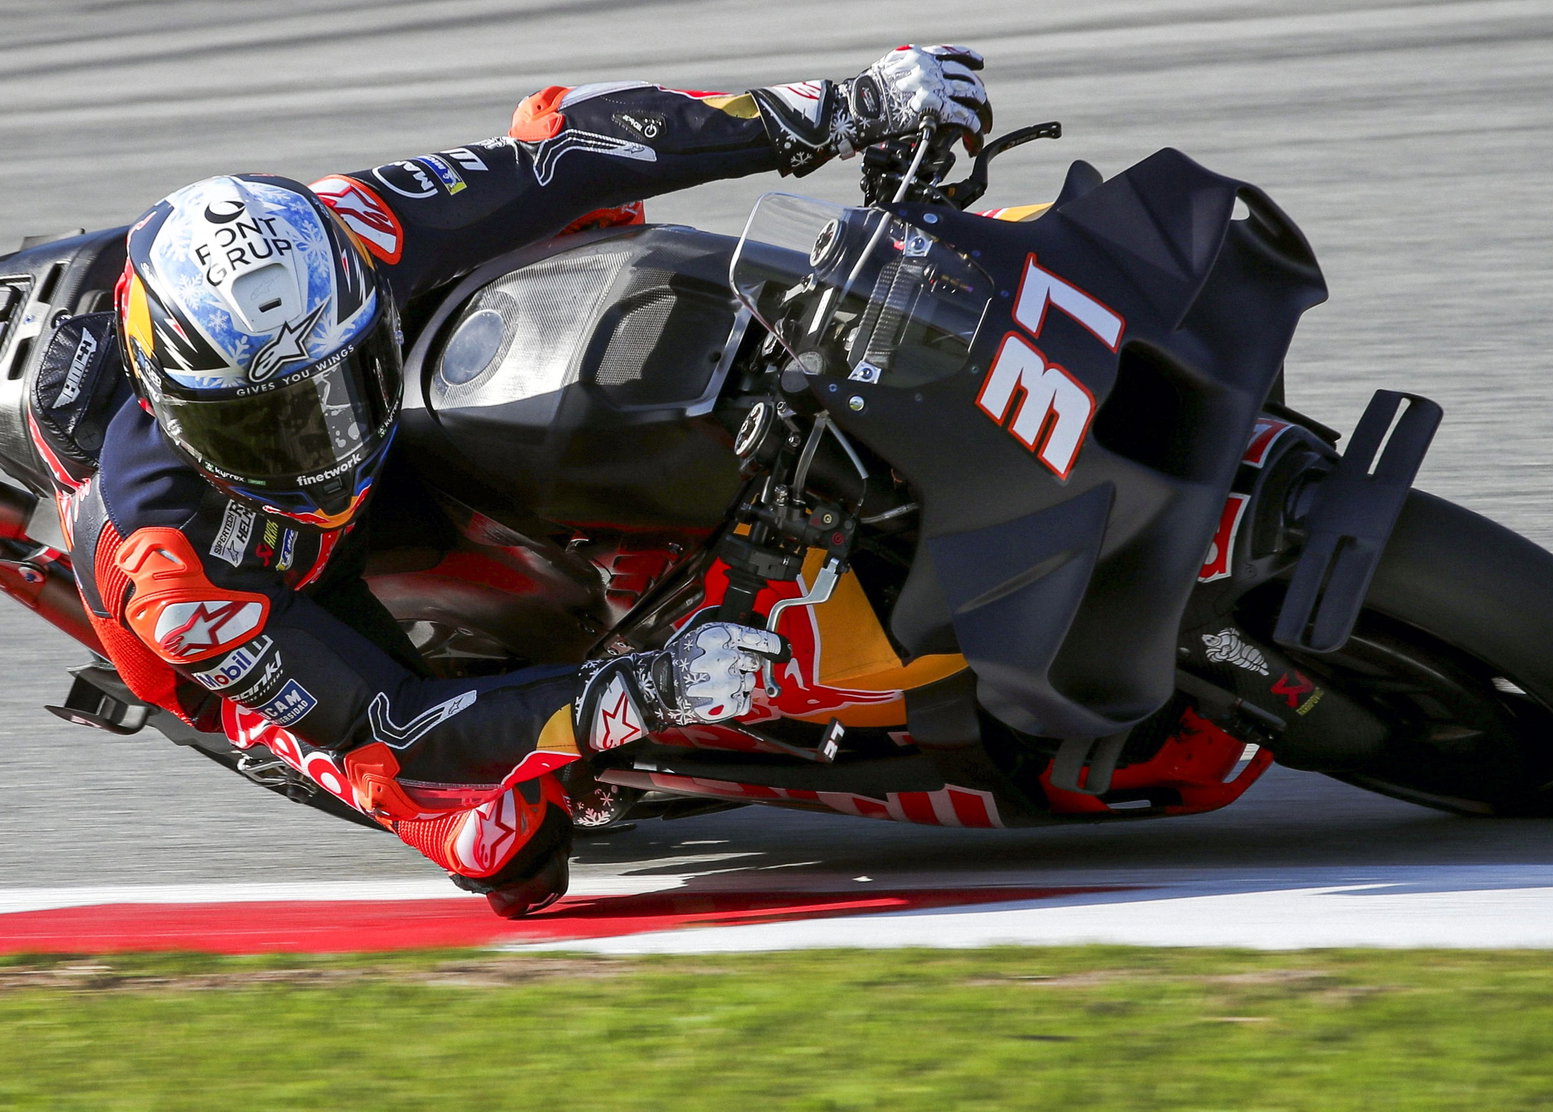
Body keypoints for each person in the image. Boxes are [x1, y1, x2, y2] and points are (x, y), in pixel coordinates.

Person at [26, 46, 991, 917]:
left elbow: (572, 151)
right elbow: (391, 724)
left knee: (575, 178)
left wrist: (844, 106)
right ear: (173, 407)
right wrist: (645, 693)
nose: (318, 443)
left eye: (336, 387)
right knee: (504, 846)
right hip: (272, 595)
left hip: (362, 430)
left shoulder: (350, 234)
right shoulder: (176, 579)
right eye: (260, 425)